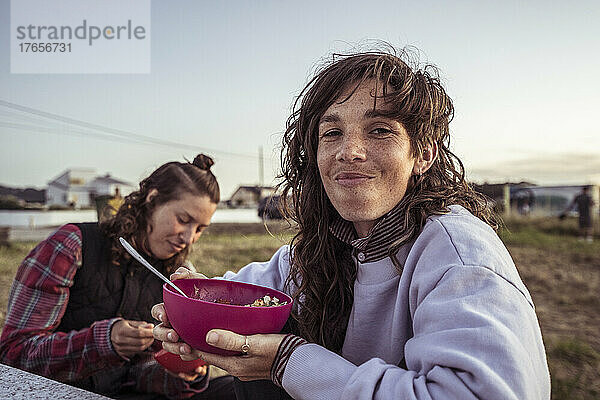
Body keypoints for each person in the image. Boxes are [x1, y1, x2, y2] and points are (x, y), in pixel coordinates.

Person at [153, 48, 551, 399]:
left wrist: (289, 363)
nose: (350, 152)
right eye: (332, 133)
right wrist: (191, 303)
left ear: (423, 154)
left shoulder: (458, 256)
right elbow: (244, 293)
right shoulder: (325, 248)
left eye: (379, 130)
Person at [0, 154, 235, 399]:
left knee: (241, 389)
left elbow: (137, 375)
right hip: (63, 393)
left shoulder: (175, 275)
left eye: (199, 229)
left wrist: (182, 372)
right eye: (183, 220)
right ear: (152, 200)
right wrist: (101, 343)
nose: (188, 238)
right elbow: (13, 357)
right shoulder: (71, 247)